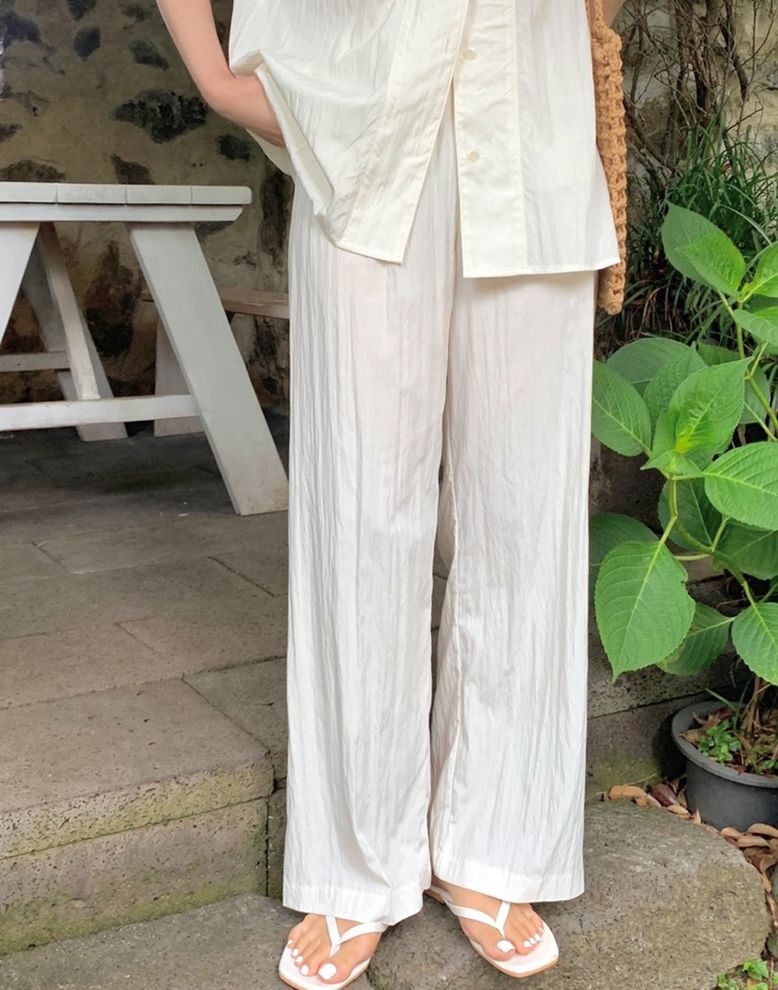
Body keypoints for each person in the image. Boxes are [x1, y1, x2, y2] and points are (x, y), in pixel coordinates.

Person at [156, 1, 627, 986]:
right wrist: (212, 76)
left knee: (523, 516)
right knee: (362, 512)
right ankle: (355, 862)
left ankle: (495, 845)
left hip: (532, 130)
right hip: (359, 129)